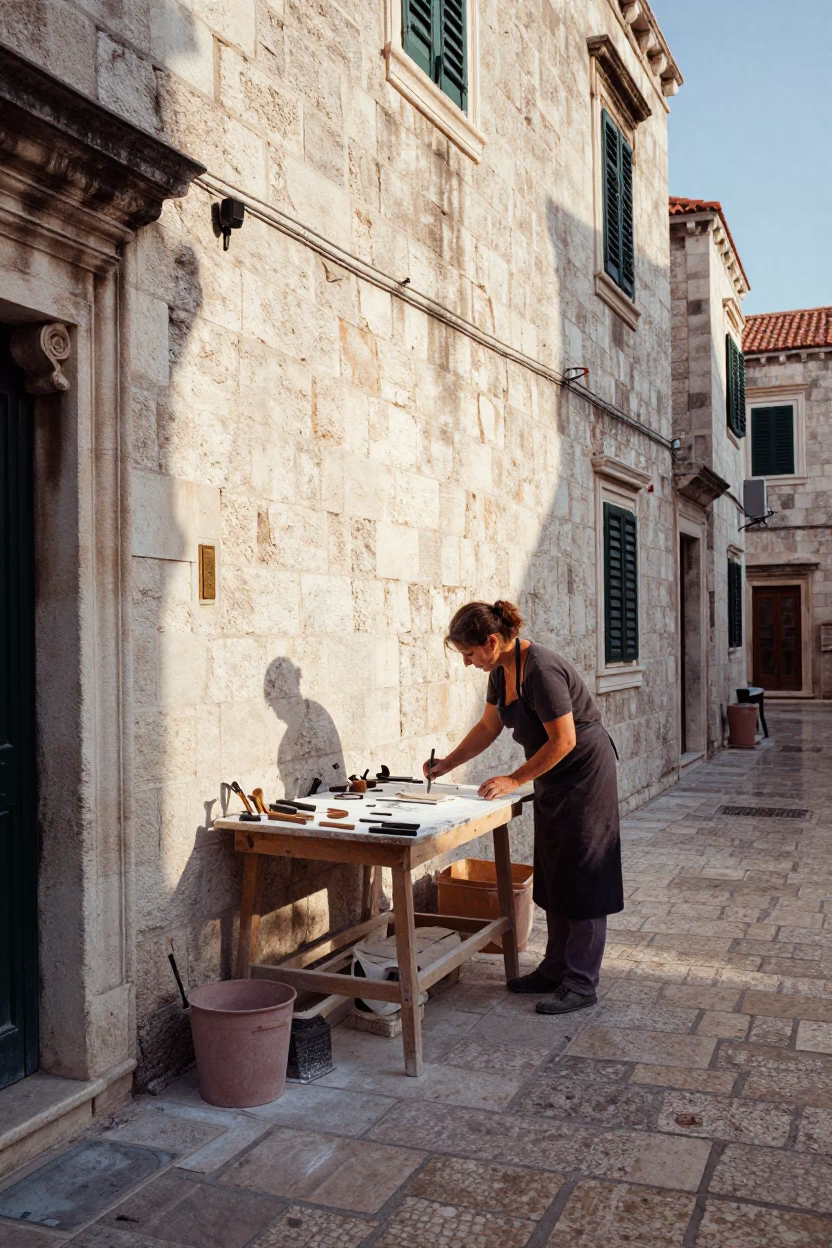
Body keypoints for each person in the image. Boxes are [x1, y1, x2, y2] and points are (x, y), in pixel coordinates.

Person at [424, 599, 623, 1014]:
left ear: (492, 641)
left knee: (584, 877)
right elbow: (486, 728)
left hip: (585, 775)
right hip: (552, 776)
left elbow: (565, 740)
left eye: (469, 653)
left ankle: (581, 983)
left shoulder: (542, 671)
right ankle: (554, 970)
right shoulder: (500, 671)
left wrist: (515, 779)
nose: (467, 663)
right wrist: (446, 764)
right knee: (555, 873)